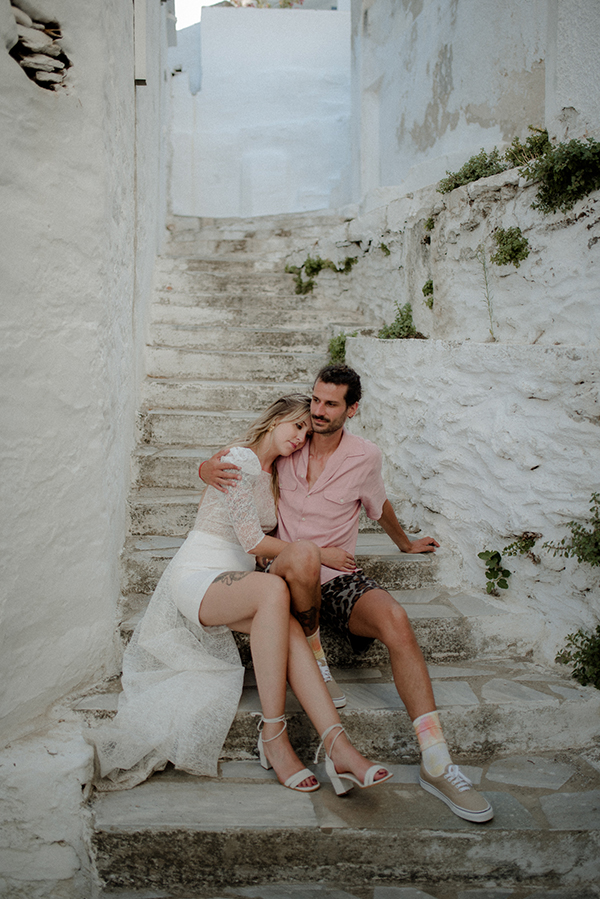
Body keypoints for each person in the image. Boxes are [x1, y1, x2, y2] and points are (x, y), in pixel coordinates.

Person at [200, 365, 494, 823]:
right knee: (301, 558)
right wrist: (202, 467)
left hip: (337, 582)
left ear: (352, 409)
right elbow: (237, 463)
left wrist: (404, 542)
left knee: (395, 619)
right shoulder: (288, 444)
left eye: (330, 404)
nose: (317, 412)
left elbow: (380, 504)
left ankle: (437, 759)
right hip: (284, 575)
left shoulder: (365, 457)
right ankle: (313, 649)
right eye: (315, 400)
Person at [91, 393, 391, 796]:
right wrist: (321, 555)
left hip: (233, 583)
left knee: (286, 624)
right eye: (296, 426)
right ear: (274, 421)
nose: (302, 437)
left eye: (307, 430)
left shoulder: (273, 473)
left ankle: (339, 746)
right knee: (272, 590)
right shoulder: (238, 458)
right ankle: (273, 735)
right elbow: (252, 541)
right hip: (198, 574)